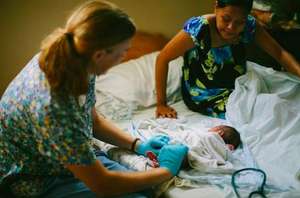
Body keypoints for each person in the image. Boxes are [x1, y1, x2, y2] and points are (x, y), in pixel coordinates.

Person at [0, 1, 188, 197]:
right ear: (99, 55)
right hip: (35, 178)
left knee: (149, 190)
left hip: (66, 157)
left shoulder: (77, 62)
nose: (124, 57)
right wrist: (166, 171)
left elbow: (93, 121)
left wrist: (138, 144)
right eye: (123, 52)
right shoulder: (54, 106)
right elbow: (104, 185)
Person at [155, 0, 300, 119]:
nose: (231, 27)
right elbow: (162, 59)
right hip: (204, 93)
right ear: (216, 7)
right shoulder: (199, 28)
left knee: (285, 99)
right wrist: (161, 104)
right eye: (226, 19)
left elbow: (279, 53)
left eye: (239, 22)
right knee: (260, 113)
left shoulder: (250, 25)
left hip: (236, 84)